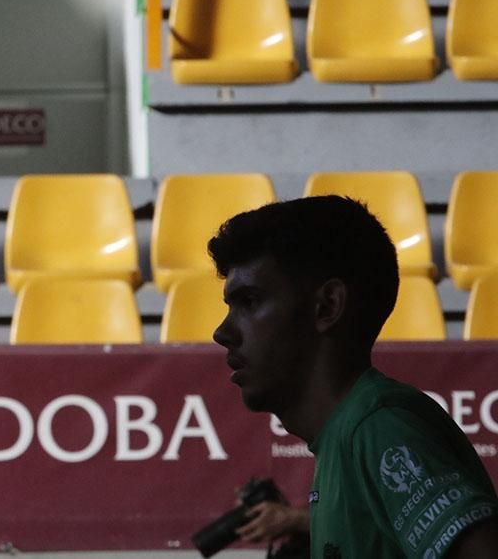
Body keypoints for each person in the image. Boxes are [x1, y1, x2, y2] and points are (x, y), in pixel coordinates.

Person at [209, 195, 498, 558]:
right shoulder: (342, 438)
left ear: (328, 306)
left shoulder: (379, 427)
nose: (222, 332)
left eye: (249, 301)